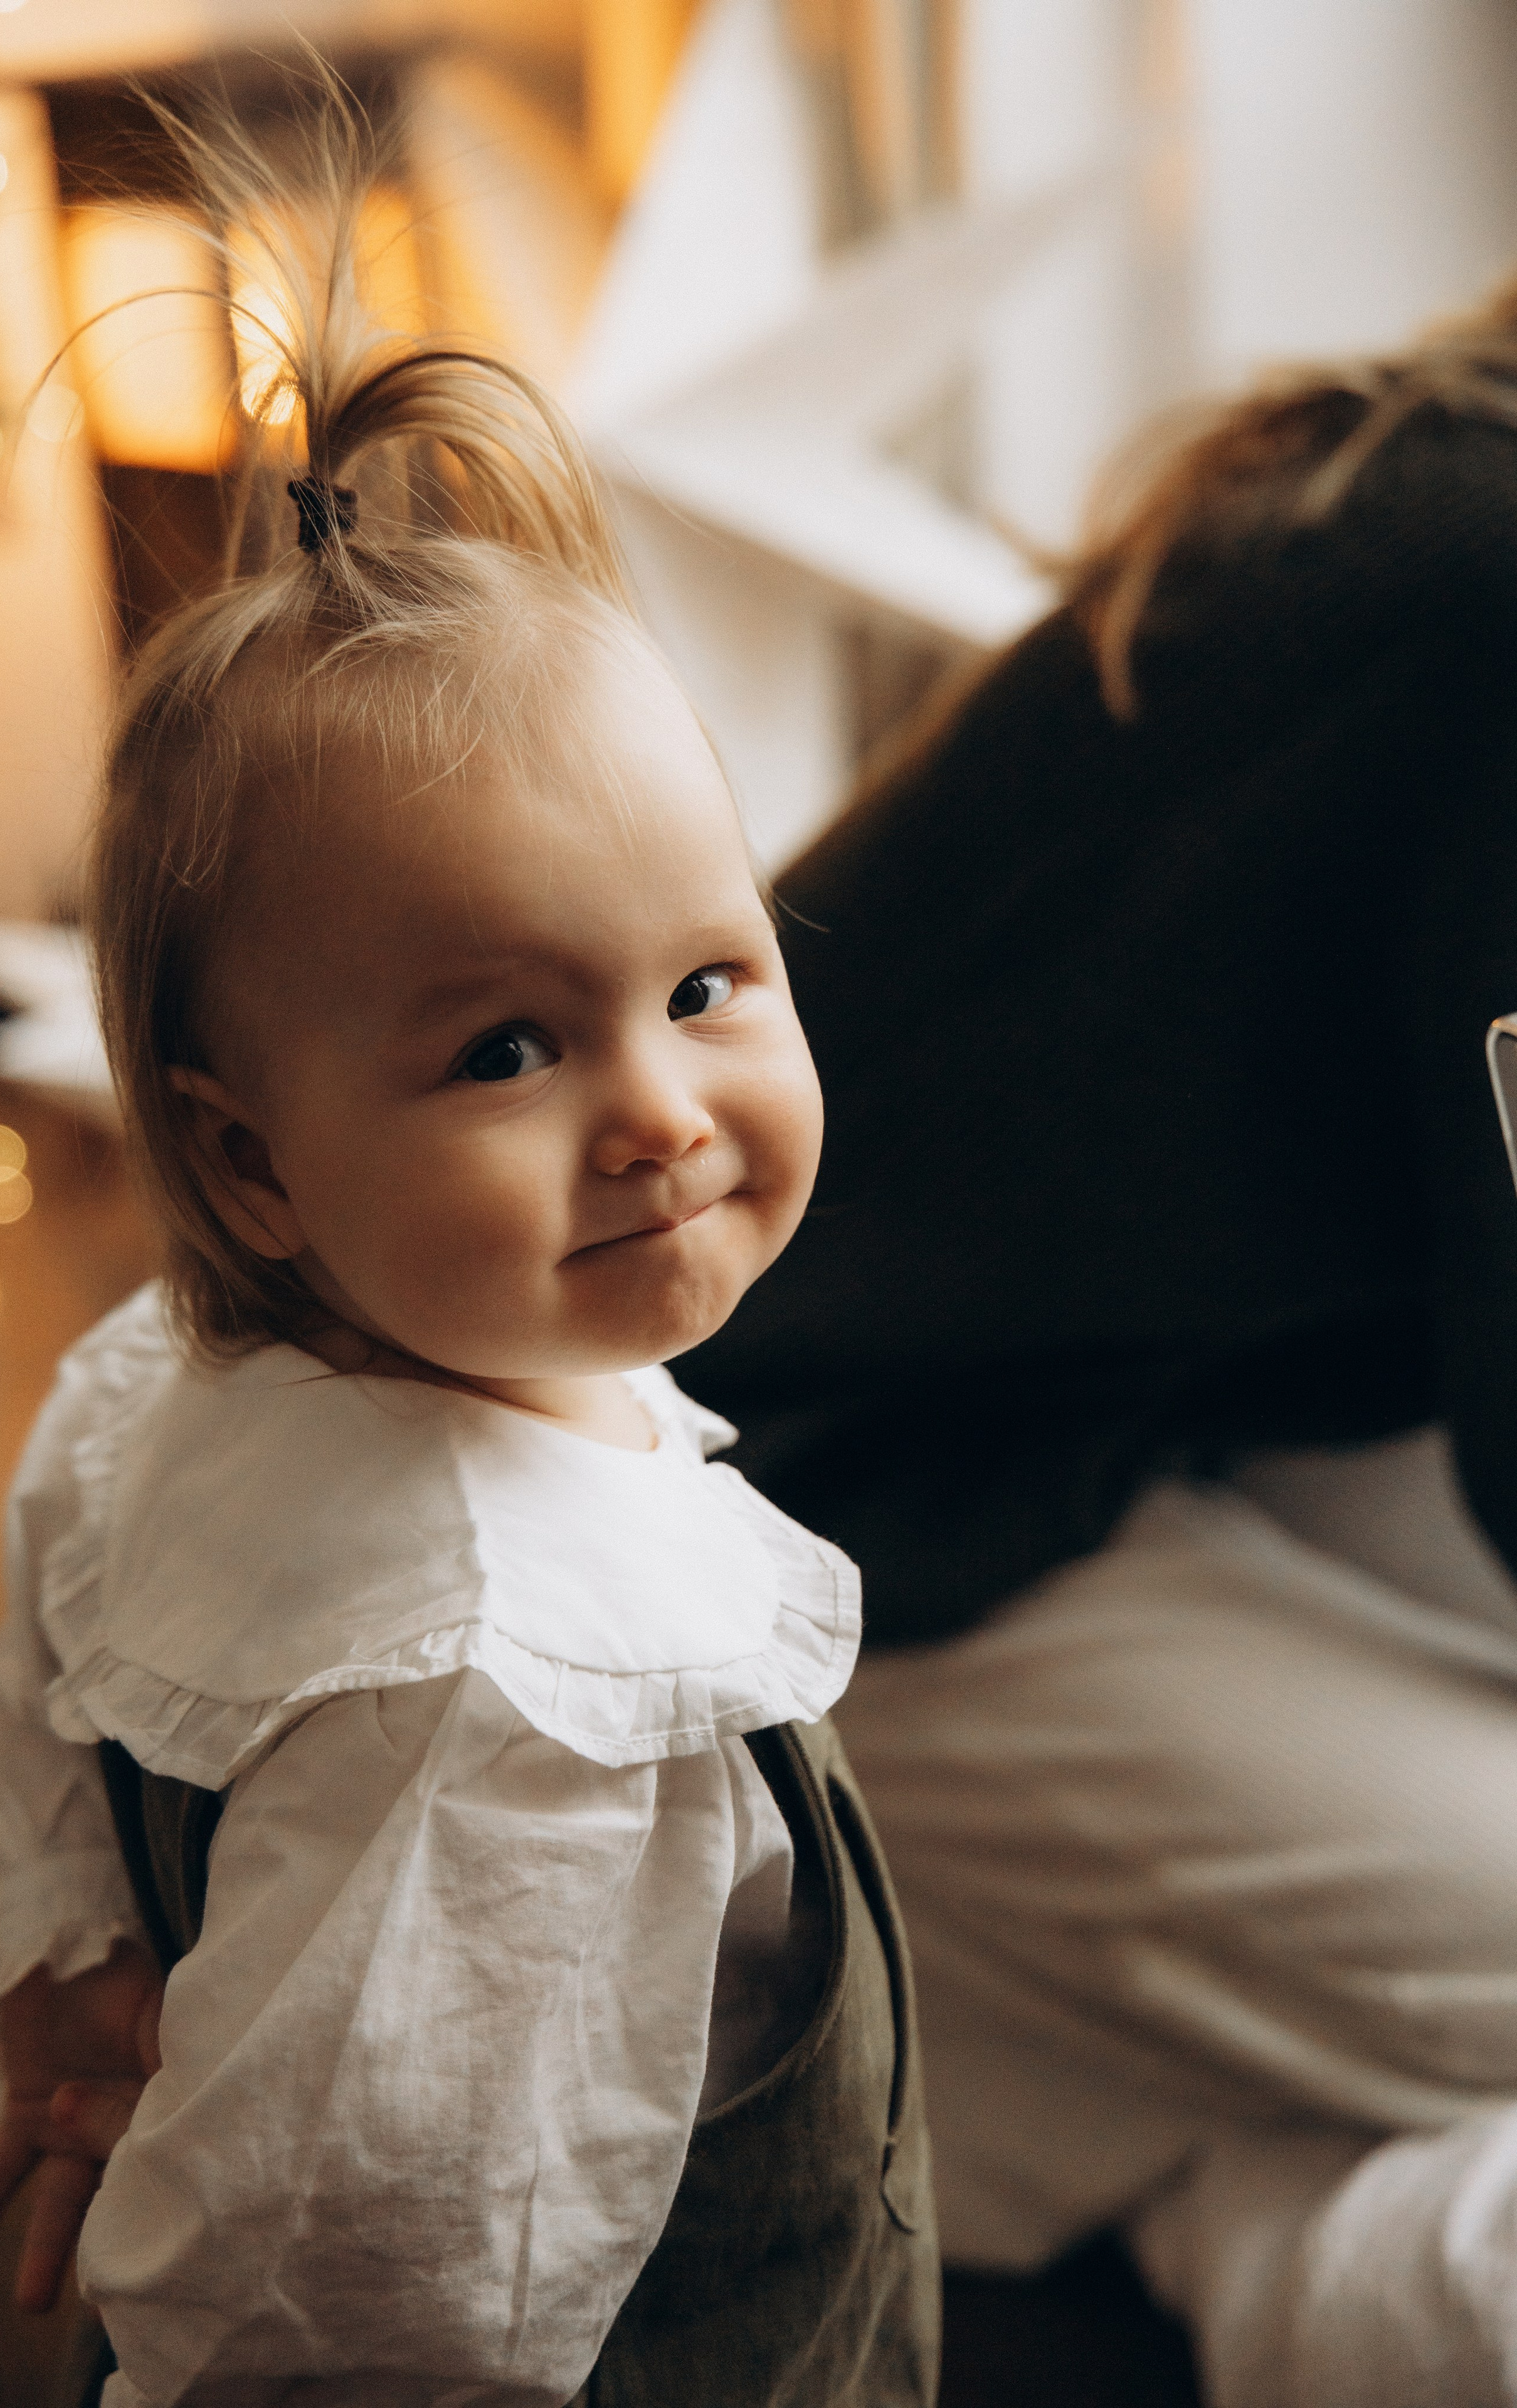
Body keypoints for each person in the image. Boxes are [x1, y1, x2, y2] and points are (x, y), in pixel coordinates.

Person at [0, 89, 938, 2408]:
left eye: (707, 981)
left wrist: (82, 1949)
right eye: (506, 1048)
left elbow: (51, 1632)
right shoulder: (521, 1692)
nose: (659, 1110)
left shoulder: (170, 1384)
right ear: (252, 1164)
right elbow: (367, 2297)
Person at [682, 287, 1517, 2407]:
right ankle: (1230, 2213)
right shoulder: (1493, 589)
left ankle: (1125, 2077)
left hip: (1136, 1423)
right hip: (828, 1513)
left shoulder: (1463, 495)